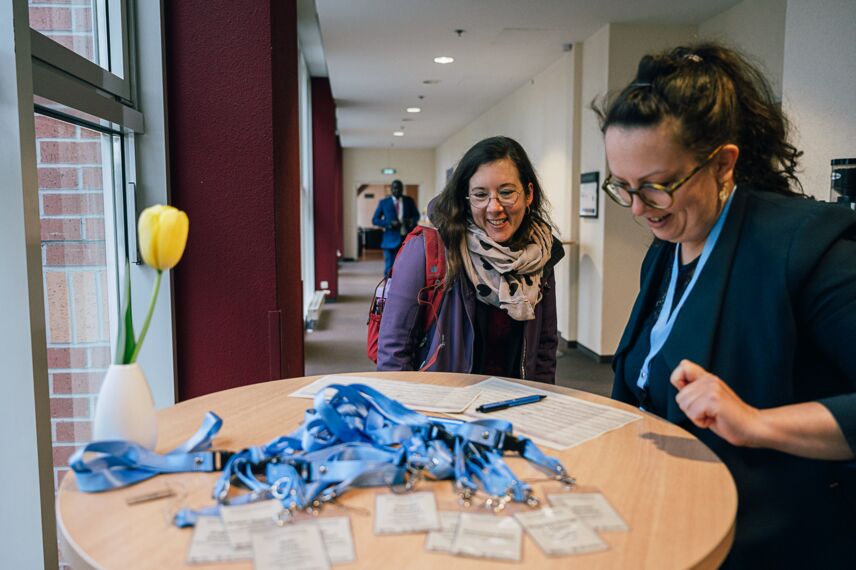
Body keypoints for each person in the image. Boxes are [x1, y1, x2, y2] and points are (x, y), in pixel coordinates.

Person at [596, 42, 856, 566]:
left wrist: (757, 422)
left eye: (656, 187)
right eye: (621, 187)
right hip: (662, 513)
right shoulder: (665, 250)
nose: (637, 209)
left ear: (722, 164)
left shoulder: (803, 248)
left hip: (761, 540)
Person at [376, 136, 564, 382]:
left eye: (506, 192)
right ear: (465, 198)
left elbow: (544, 349)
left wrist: (540, 404)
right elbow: (394, 350)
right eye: (480, 194)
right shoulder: (427, 250)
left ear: (528, 194)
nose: (494, 207)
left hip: (515, 406)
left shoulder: (538, 255)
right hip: (444, 409)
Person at [372, 179, 419, 275]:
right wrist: (389, 223)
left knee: (406, 267)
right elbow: (375, 220)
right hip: (390, 241)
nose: (397, 190)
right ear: (391, 189)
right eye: (395, 188)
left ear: (402, 189)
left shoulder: (409, 201)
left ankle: (403, 288)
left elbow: (416, 216)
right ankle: (388, 288)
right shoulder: (383, 202)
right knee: (389, 268)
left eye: (399, 188)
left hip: (407, 240)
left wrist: (411, 221)